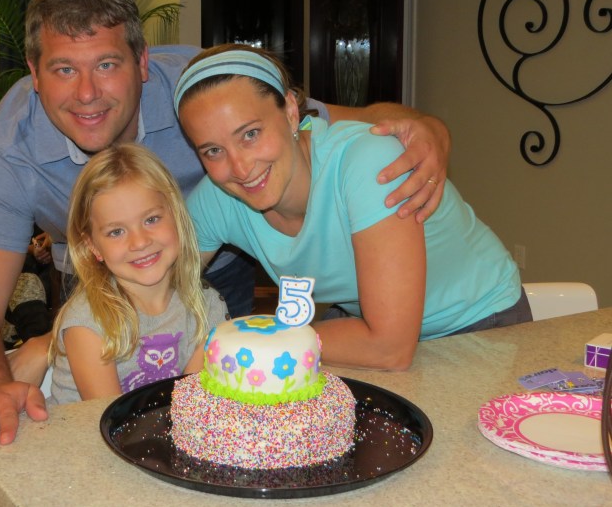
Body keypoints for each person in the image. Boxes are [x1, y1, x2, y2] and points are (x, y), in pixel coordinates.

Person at [0, 0, 451, 462]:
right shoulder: (6, 147)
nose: (87, 92)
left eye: (108, 64)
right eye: (64, 68)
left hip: (209, 267)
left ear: (142, 62)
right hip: (99, 278)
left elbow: (319, 118)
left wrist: (423, 125)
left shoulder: (200, 88)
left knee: (227, 411)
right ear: (34, 71)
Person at [174, 44, 530, 371]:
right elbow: (156, 289)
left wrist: (247, 343)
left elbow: (389, 349)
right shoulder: (217, 196)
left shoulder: (369, 162)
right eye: (212, 151)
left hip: (478, 324)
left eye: (250, 133)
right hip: (365, 328)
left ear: (291, 112)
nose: (239, 167)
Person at [38, 143, 227, 404]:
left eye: (151, 219)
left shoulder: (207, 307)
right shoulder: (88, 323)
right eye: (116, 232)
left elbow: (192, 406)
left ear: (177, 216)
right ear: (93, 246)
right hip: (84, 440)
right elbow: (110, 424)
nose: (139, 242)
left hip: (160, 433)